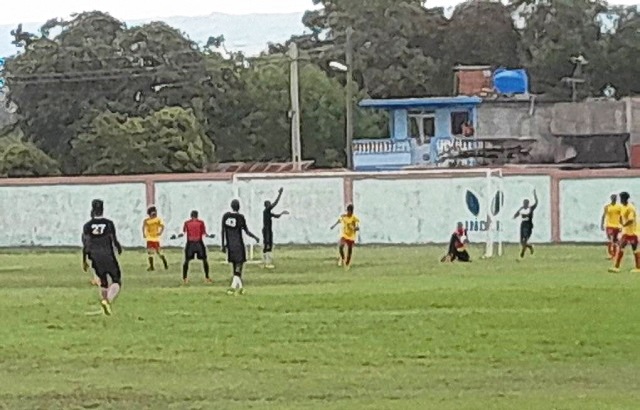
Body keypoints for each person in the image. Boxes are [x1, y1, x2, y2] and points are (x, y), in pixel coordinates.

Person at [82, 199, 123, 316]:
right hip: (107, 254)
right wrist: (118, 248)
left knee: (103, 282)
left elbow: (86, 243)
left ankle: (106, 308)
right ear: (102, 209)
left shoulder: (87, 226)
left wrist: (84, 259)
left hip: (95, 256)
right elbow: (113, 238)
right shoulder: (109, 223)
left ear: (92, 210)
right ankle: (107, 301)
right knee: (116, 280)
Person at [222, 199, 259, 295]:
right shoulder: (240, 217)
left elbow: (223, 231)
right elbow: (246, 231)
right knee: (239, 266)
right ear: (238, 207)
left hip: (230, 245)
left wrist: (223, 244)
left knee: (235, 267)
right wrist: (255, 237)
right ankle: (232, 288)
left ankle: (241, 288)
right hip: (238, 244)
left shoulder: (225, 216)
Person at [172, 210, 215, 284]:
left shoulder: (187, 223)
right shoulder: (201, 223)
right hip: (199, 243)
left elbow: (182, 233)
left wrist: (175, 237)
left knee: (186, 261)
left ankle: (185, 278)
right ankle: (207, 278)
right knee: (204, 260)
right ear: (197, 216)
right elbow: (204, 233)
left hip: (190, 243)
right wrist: (211, 236)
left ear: (191, 216)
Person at [609, 192, 640, 273]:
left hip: (633, 232)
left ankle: (638, 267)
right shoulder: (622, 207)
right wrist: (621, 224)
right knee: (621, 247)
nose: (620, 200)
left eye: (621, 198)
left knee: (635, 250)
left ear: (625, 199)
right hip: (626, 233)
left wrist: (623, 225)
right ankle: (616, 267)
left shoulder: (630, 208)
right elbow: (621, 217)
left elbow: (631, 220)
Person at [262, 187, 289, 269]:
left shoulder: (268, 213)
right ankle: (266, 262)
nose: (270, 205)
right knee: (267, 245)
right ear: (267, 205)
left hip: (268, 230)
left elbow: (276, 216)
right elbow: (275, 203)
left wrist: (282, 213)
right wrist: (280, 194)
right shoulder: (266, 211)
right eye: (269, 204)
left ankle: (267, 261)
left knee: (269, 244)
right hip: (266, 230)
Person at [330, 204, 360, 270]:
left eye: (350, 211)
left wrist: (354, 228)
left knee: (349, 250)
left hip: (351, 236)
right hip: (344, 235)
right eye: (348, 211)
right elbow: (339, 220)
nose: (349, 212)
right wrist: (333, 226)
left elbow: (358, 227)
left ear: (352, 211)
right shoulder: (344, 217)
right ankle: (343, 259)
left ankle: (347, 263)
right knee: (340, 246)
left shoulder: (354, 218)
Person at [142, 206, 168, 271]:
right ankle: (152, 266)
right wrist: (144, 234)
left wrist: (160, 232)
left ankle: (165, 264)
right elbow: (143, 227)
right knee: (150, 253)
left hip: (155, 239)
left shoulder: (157, 220)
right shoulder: (147, 220)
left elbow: (162, 226)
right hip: (150, 238)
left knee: (158, 252)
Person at [513, 190, 538, 259]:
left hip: (528, 225)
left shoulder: (531, 209)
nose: (524, 204)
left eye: (526, 203)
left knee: (525, 240)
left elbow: (536, 203)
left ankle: (522, 253)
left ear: (528, 204)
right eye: (524, 203)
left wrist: (535, 195)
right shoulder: (521, 209)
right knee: (522, 242)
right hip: (523, 225)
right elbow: (517, 213)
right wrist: (514, 216)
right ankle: (530, 247)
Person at [601, 194, 622, 260]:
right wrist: (602, 224)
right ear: (611, 198)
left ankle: (614, 254)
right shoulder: (607, 207)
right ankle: (611, 253)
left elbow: (621, 217)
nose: (614, 199)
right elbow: (603, 216)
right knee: (611, 239)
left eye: (615, 198)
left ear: (616, 199)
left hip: (617, 226)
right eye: (613, 198)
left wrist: (622, 225)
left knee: (614, 241)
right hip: (609, 225)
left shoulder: (619, 207)